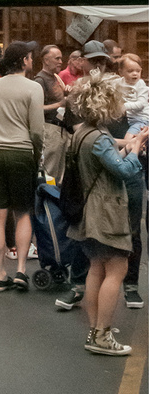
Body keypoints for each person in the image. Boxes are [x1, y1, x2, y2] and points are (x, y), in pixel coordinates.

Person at [66, 71, 147, 355]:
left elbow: (106, 165)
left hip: (89, 213)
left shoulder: (83, 133)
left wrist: (131, 146)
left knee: (96, 269)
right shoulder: (99, 137)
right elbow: (123, 171)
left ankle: (96, 329)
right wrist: (136, 150)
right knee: (117, 269)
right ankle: (101, 335)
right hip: (106, 212)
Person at [0, 41, 43, 292]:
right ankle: (20, 269)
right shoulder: (33, 87)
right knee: (23, 213)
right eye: (30, 56)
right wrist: (37, 154)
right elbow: (37, 130)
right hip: (20, 152)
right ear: (24, 60)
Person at [34, 45, 69, 181]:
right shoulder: (39, 80)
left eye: (61, 58)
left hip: (61, 129)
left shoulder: (55, 77)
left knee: (60, 173)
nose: (61, 62)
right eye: (57, 58)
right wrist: (60, 104)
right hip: (49, 130)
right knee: (49, 172)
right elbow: (36, 109)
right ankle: (46, 200)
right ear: (46, 60)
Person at [117, 53, 148, 134]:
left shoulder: (140, 84)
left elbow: (142, 104)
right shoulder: (118, 82)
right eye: (130, 71)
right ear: (121, 72)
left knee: (128, 139)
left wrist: (124, 107)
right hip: (125, 119)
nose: (135, 73)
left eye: (138, 71)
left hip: (140, 119)